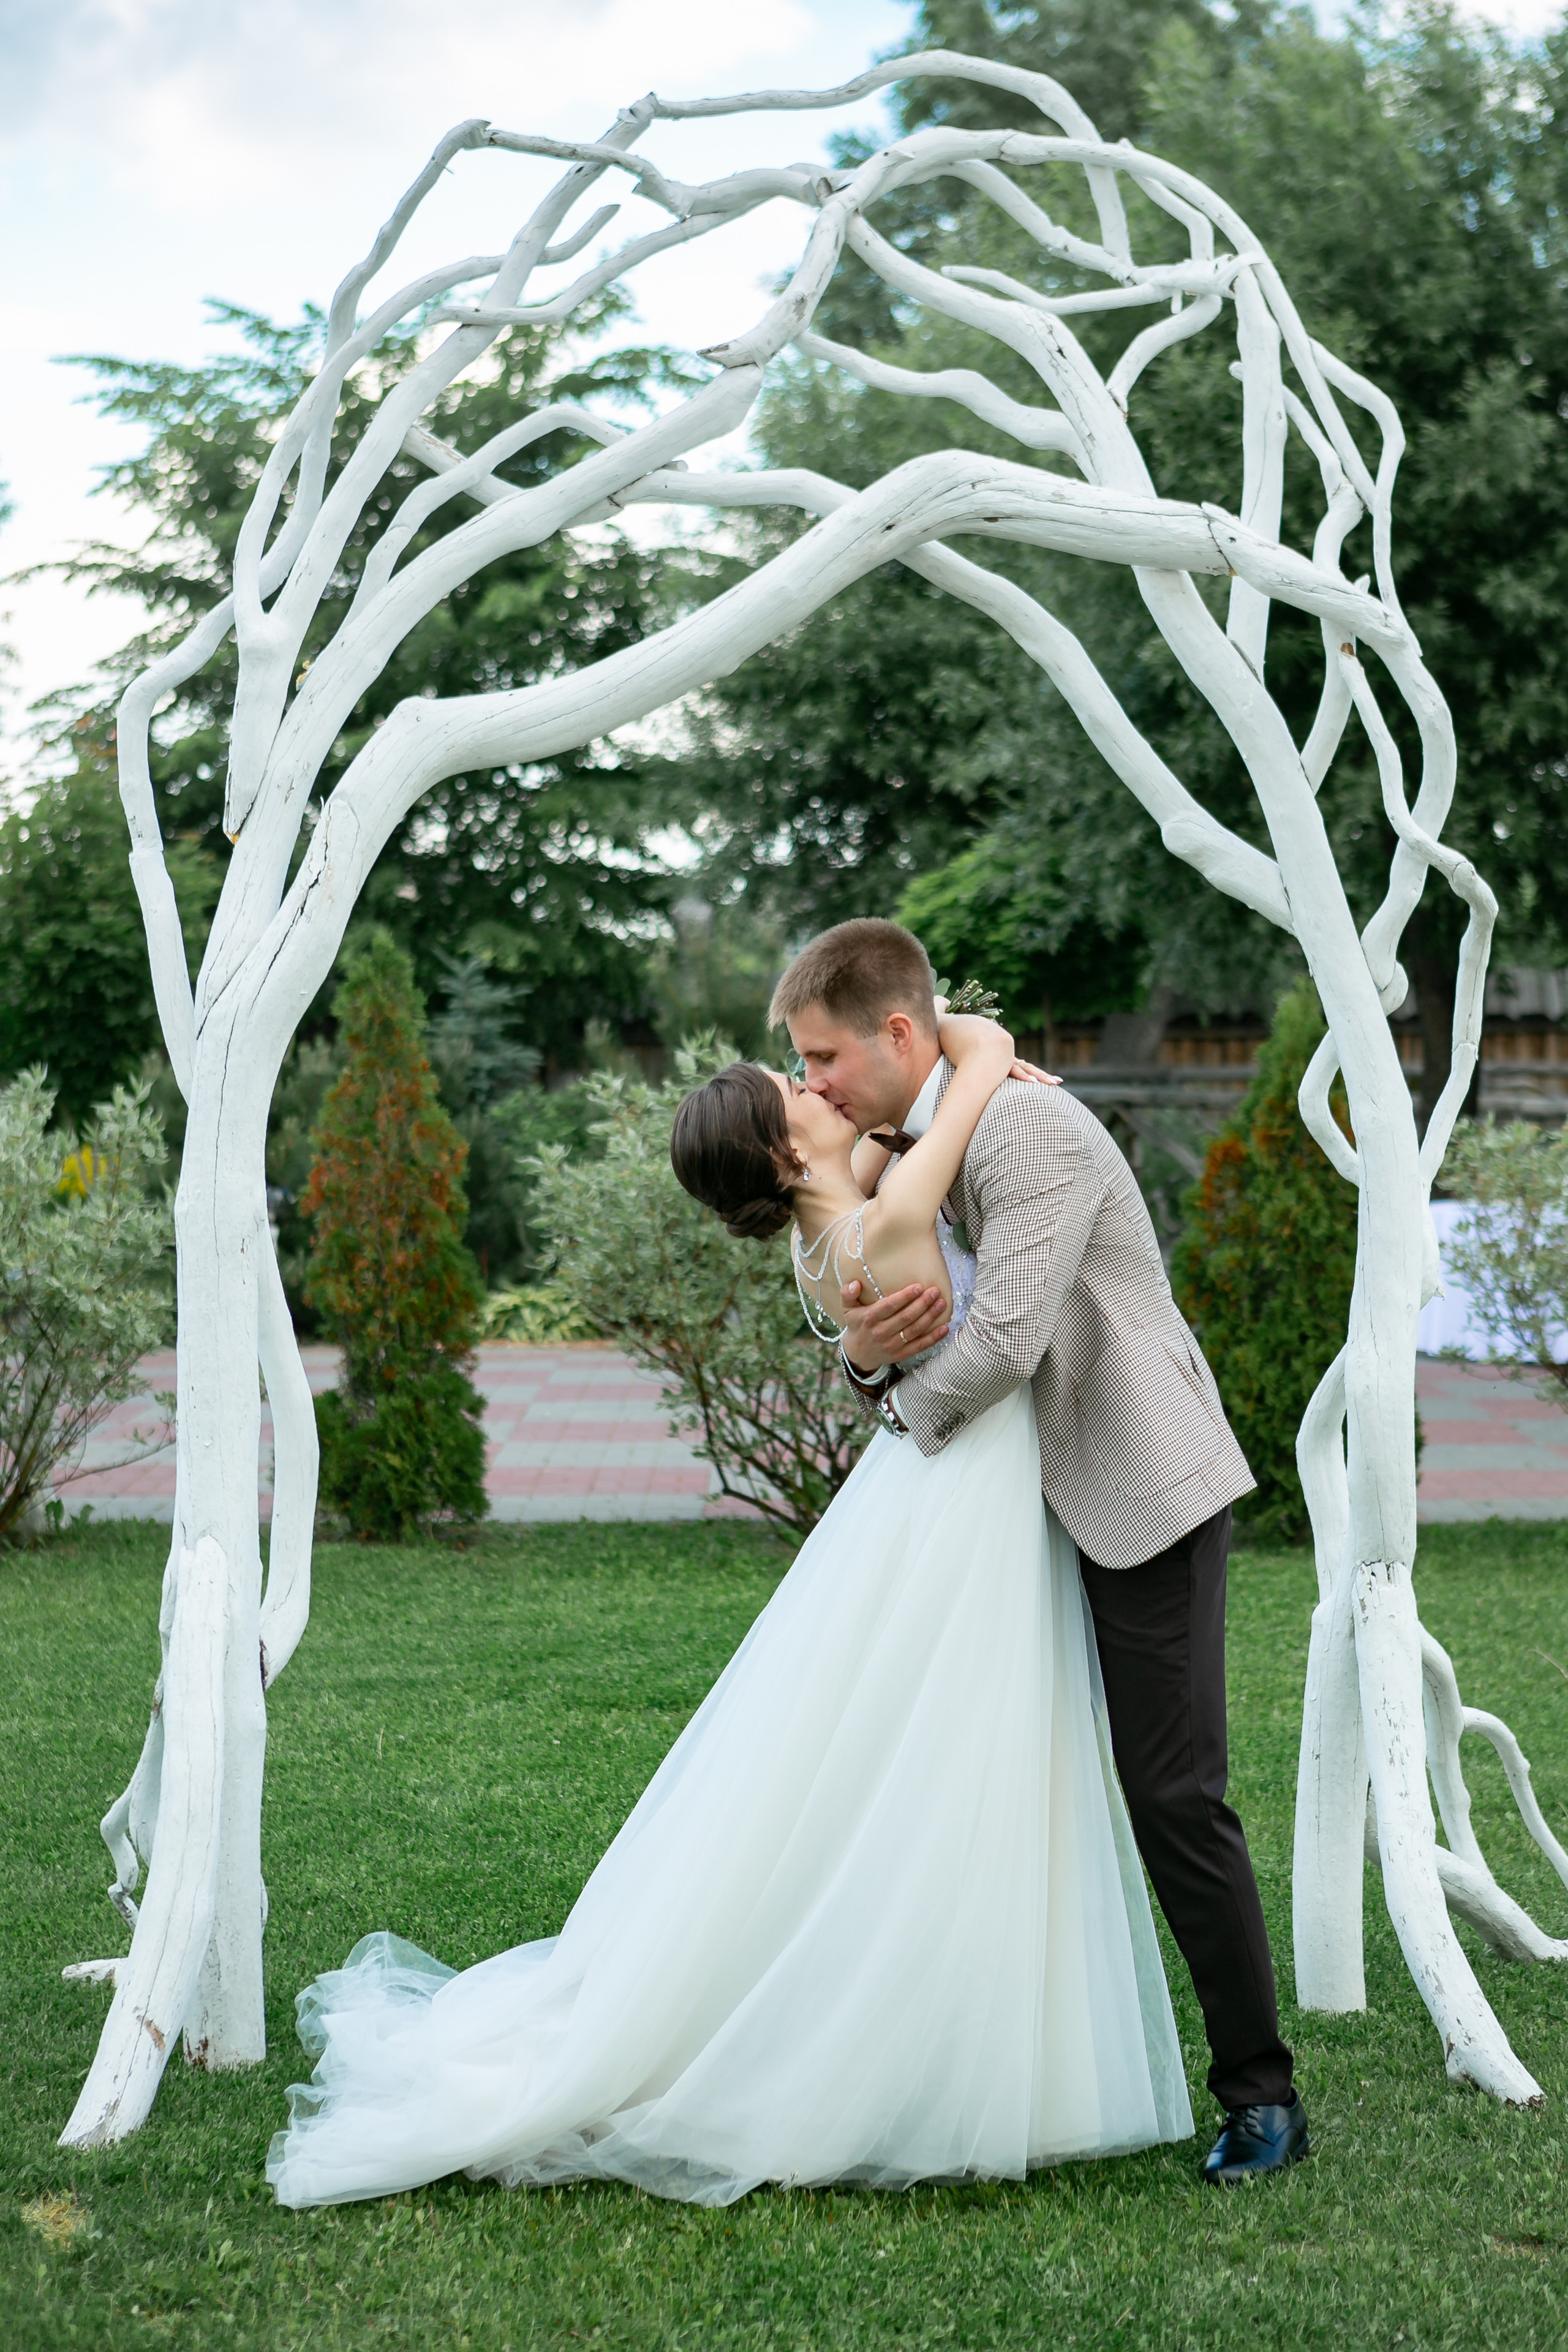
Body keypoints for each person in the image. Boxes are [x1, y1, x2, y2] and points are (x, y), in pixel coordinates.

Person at [266, 998, 1194, 2212]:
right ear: (778, 1150)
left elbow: (887, 1133)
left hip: (947, 1483)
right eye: (796, 1087)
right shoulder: (884, 1217)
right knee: (953, 1758)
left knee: (941, 1761)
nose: (821, 1091)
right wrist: (969, 1046)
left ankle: (978, 2046)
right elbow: (946, 1122)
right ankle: (930, 2056)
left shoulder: (837, 1217)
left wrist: (924, 1088)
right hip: (961, 1484)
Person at [771, 919, 1308, 2187]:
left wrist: (895, 1410)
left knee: (1171, 1794)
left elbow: (1007, 1335)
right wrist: (858, 1356)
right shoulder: (917, 1135)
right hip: (1010, 1510)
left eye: (822, 1055)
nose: (814, 1086)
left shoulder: (1030, 1131)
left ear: (899, 1032)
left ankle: (1262, 2096)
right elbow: (889, 1308)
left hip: (1132, 1488)